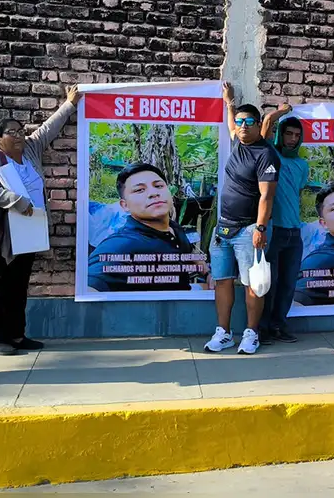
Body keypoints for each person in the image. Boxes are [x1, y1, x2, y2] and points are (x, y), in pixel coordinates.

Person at [0, 85, 80, 356]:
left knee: (20, 284)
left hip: (30, 230)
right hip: (5, 233)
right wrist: (17, 201)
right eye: (12, 132)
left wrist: (69, 104)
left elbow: (48, 128)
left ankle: (16, 335)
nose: (19, 135)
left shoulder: (31, 150)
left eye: (21, 130)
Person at [204, 85, 281, 355]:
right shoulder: (237, 141)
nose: (242, 126)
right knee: (223, 280)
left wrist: (260, 227)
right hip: (222, 229)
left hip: (249, 230)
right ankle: (223, 333)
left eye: (249, 122)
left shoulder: (266, 154)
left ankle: (251, 333)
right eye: (240, 122)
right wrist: (229, 103)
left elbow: (266, 196)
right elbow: (229, 122)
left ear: (259, 125)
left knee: (253, 284)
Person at [88, 163, 206, 292]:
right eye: (139, 190)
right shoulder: (122, 244)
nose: (154, 193)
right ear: (125, 205)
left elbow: (187, 253)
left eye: (159, 186)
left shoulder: (172, 227)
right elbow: (90, 286)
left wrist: (208, 273)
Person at [259, 107, 308, 344]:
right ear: (281, 136)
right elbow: (265, 127)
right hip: (273, 230)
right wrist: (280, 112)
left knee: (289, 283)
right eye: (288, 134)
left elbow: (297, 192)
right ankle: (263, 328)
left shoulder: (302, 165)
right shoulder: (271, 156)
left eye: (297, 136)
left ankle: (279, 326)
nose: (292, 139)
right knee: (271, 282)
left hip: (294, 231)